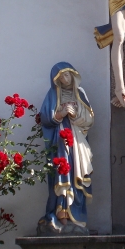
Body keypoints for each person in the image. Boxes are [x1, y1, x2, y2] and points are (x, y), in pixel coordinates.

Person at [38, 62, 94, 235]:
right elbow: (46, 118)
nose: (65, 79)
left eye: (67, 75)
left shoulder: (80, 93)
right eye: (61, 77)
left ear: (73, 75)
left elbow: (89, 119)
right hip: (59, 143)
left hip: (77, 143)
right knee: (62, 175)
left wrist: (76, 114)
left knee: (77, 173)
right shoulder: (52, 94)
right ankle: (60, 215)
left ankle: (76, 218)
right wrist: (61, 114)